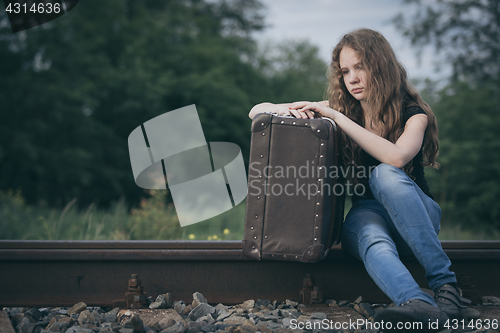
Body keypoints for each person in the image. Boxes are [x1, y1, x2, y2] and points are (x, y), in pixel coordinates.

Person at [248, 28, 470, 330]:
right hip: (368, 214)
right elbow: (256, 111)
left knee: (385, 175)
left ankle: (446, 287)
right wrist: (282, 109)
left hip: (417, 215)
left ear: (380, 65)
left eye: (360, 67)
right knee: (368, 234)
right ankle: (417, 304)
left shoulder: (413, 113)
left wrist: (337, 118)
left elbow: (395, 157)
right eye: (345, 71)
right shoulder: (344, 110)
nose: (352, 78)